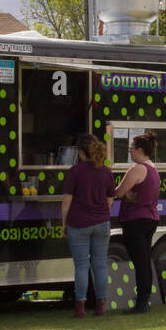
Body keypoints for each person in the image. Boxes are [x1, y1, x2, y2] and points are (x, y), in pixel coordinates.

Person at [61, 133, 115, 316]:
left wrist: (63, 223)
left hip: (78, 224)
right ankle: (101, 305)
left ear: (82, 153)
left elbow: (66, 201)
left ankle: (80, 307)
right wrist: (102, 214)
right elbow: (110, 200)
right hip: (102, 223)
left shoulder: (75, 172)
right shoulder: (107, 171)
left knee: (82, 266)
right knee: (100, 265)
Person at [114, 131, 161, 315]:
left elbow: (118, 192)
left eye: (131, 148)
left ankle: (142, 302)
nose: (130, 152)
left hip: (136, 220)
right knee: (145, 260)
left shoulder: (137, 169)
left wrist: (124, 193)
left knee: (140, 262)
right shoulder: (153, 168)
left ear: (139, 150)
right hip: (150, 217)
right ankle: (144, 298)